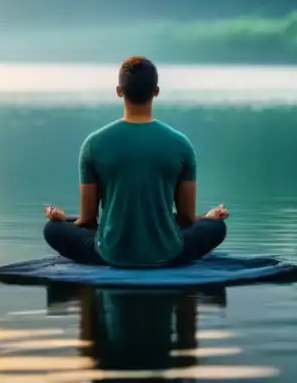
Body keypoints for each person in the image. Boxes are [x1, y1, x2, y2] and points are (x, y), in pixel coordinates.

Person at [43, 56, 229, 268]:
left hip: (110, 254)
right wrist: (209, 219)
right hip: (168, 254)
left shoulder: (93, 144)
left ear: (119, 91)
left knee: (52, 229)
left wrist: (63, 220)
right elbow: (187, 220)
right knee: (216, 227)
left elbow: (87, 220)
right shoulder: (181, 144)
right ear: (156, 91)